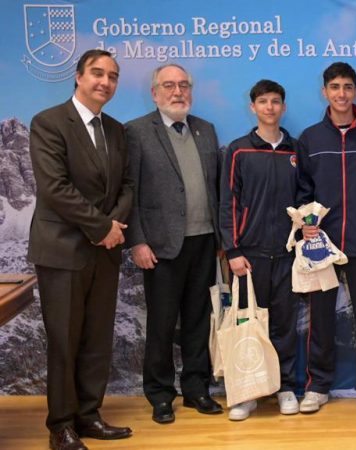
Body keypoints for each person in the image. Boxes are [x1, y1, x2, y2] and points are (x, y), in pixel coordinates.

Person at [28, 49, 134, 450]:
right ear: (77, 76)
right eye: (96, 73)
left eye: (112, 76)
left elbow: (127, 186)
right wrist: (101, 226)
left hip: (104, 250)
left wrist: (112, 228)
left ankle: (89, 415)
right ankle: (61, 426)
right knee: (65, 340)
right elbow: (55, 188)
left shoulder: (117, 130)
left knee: (96, 339)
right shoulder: (49, 122)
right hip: (63, 250)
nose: (104, 82)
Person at [125, 64, 222, 424]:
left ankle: (197, 388)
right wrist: (137, 241)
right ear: (155, 93)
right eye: (169, 85)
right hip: (161, 246)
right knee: (163, 324)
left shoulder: (205, 130)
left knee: (199, 319)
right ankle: (161, 394)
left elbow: (215, 189)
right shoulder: (136, 132)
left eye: (183, 85)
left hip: (204, 241)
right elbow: (129, 192)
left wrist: (223, 240)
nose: (177, 91)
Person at [295, 62, 356, 413]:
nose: (341, 93)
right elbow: (302, 190)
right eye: (334, 87)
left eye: (347, 87)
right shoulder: (310, 139)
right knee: (319, 318)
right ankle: (318, 386)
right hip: (322, 246)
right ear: (324, 91)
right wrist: (306, 223)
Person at [219, 79, 300, 420]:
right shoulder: (238, 150)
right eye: (263, 101)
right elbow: (228, 203)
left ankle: (285, 388)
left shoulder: (295, 152)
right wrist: (233, 250)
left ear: (283, 107)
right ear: (253, 107)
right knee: (246, 323)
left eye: (276, 101)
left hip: (286, 254)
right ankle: (246, 392)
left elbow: (303, 201)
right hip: (248, 256)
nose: (270, 107)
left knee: (284, 324)